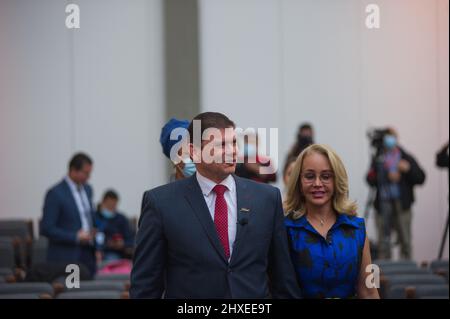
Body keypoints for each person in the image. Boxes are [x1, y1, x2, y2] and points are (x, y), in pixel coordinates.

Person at [130, 112, 301, 298]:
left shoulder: (267, 199)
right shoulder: (161, 203)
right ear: (194, 151)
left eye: (234, 143)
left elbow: (283, 278)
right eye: (221, 145)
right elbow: (145, 285)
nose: (232, 151)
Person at [284, 144, 379, 299]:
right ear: (299, 183)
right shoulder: (285, 229)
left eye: (326, 176)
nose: (317, 184)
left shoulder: (357, 228)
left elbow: (369, 290)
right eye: (309, 176)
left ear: (336, 181)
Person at [366, 128, 425, 259]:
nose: (389, 140)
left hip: (402, 205)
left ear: (396, 139)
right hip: (383, 205)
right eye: (387, 137)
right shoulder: (379, 158)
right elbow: (369, 179)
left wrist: (408, 169)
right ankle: (384, 274)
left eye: (392, 137)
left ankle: (407, 273)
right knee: (383, 243)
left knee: (405, 242)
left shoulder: (406, 157)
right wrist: (386, 174)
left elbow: (421, 177)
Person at [40, 153, 97, 277]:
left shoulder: (88, 189)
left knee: (91, 290)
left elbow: (89, 217)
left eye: (90, 173)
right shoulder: (55, 193)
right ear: (73, 170)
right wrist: (75, 236)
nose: (88, 177)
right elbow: (46, 228)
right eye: (86, 173)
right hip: (67, 254)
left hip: (88, 252)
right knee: (73, 291)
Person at [94, 190, 134, 262]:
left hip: (116, 254)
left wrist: (122, 243)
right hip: (97, 252)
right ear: (103, 202)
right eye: (109, 205)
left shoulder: (121, 219)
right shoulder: (94, 217)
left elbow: (131, 239)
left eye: (114, 205)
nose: (111, 208)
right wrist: (107, 244)